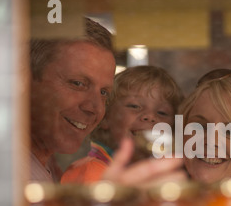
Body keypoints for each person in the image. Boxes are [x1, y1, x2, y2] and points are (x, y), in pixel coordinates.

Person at [29, 17, 185, 186]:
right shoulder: (5, 171)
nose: (94, 107)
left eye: (104, 92)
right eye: (78, 83)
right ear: (26, 79)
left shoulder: (45, 166)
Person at [61, 65, 184, 184]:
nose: (150, 116)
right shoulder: (91, 173)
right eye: (134, 106)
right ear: (105, 117)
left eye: (162, 112)